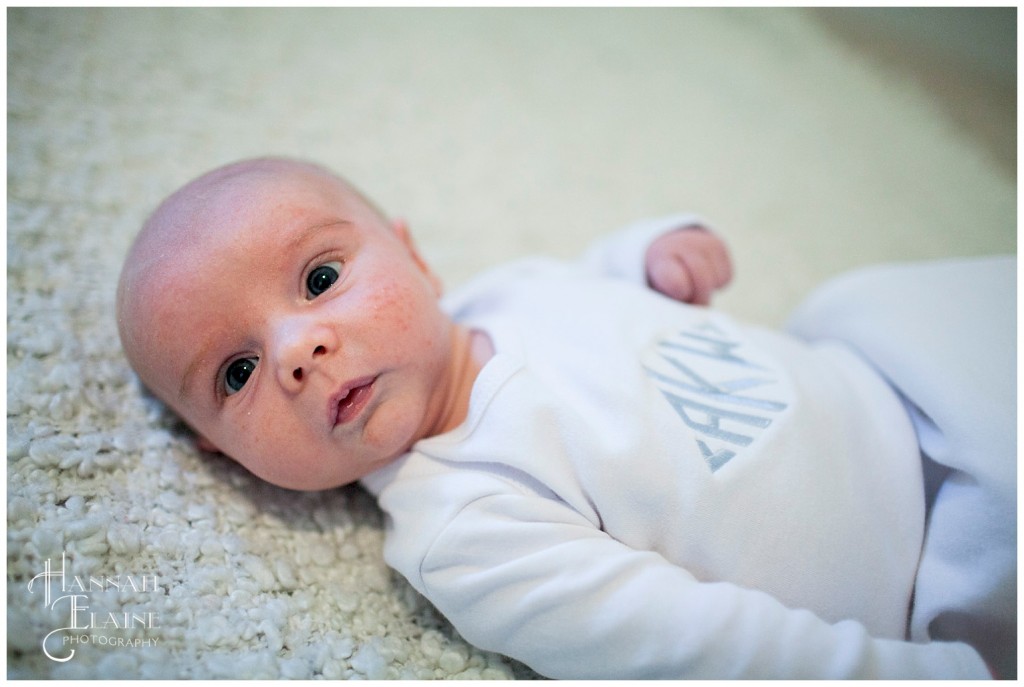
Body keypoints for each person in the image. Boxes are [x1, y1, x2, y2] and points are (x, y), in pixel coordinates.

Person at [116, 156, 1014, 679]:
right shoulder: (464, 528)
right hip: (938, 558)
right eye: (236, 372)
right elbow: (691, 647)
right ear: (220, 450)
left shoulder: (507, 289)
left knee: (904, 302)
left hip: (886, 376)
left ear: (416, 257)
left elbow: (592, 275)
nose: (295, 350)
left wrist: (652, 254)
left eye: (319, 278)